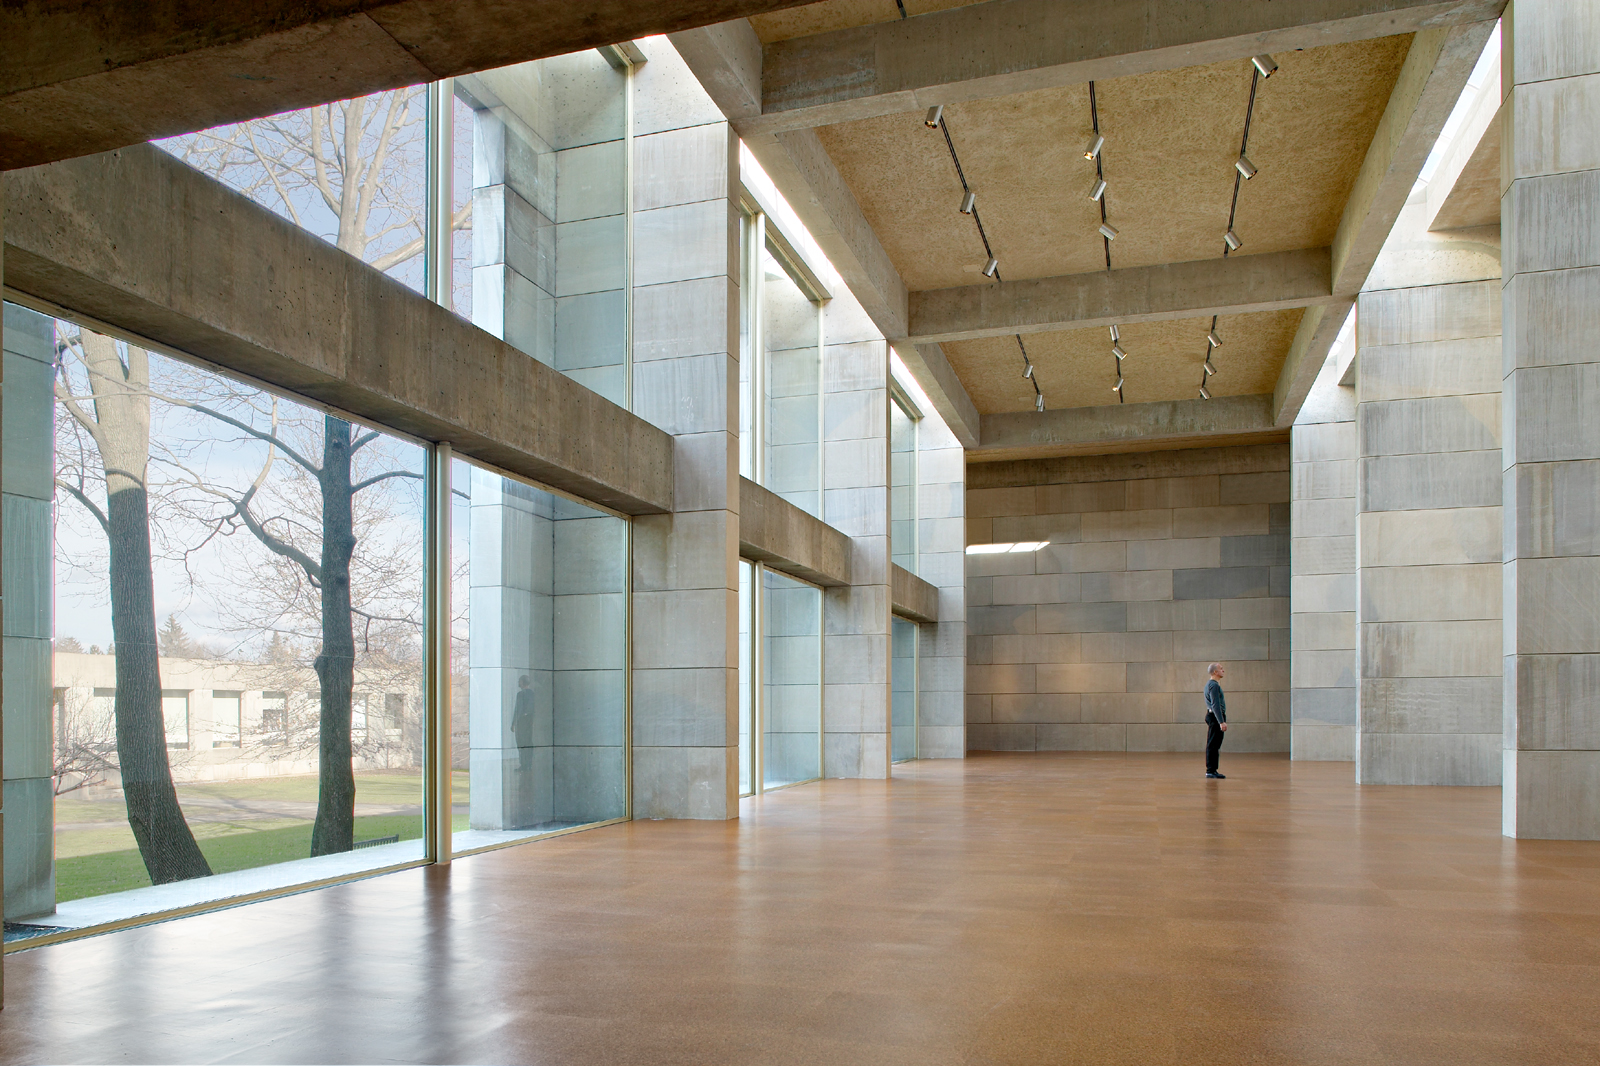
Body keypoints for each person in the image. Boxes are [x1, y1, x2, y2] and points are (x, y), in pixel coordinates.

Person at [1204, 663, 1228, 779]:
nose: (1223, 670)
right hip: (1215, 717)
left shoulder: (1210, 685)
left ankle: (1212, 770)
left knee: (1213, 744)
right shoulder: (1214, 686)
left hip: (1213, 716)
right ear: (1215, 672)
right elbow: (1215, 705)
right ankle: (1211, 770)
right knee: (1213, 745)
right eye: (1221, 669)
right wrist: (1221, 721)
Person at [511, 674, 536, 774]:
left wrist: (514, 723)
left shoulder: (521, 694)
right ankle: (528, 765)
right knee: (528, 743)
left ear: (522, 682)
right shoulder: (532, 694)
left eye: (519, 681)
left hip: (522, 722)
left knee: (521, 744)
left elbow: (518, 710)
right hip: (528, 722)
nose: (518, 683)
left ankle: (524, 764)